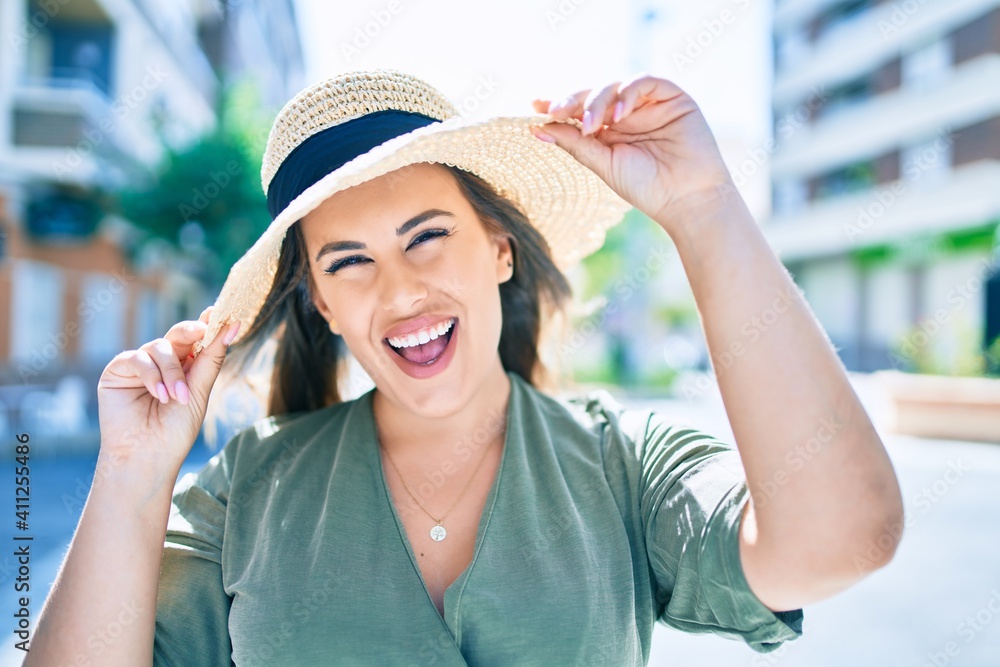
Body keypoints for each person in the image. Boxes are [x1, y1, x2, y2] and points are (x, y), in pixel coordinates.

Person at [27, 70, 904, 666]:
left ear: (497, 248)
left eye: (428, 237)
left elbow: (841, 538)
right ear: (323, 305)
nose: (401, 291)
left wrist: (705, 211)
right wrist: (132, 475)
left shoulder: (623, 462)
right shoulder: (248, 484)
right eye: (349, 261)